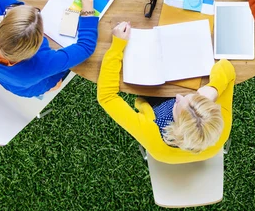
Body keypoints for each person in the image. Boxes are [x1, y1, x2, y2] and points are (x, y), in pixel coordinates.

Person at [97, 21, 235, 163]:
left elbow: (106, 97)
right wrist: (213, 89)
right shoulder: (219, 123)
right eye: (194, 97)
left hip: (159, 133)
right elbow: (225, 66)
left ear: (176, 127)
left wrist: (116, 47)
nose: (178, 96)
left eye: (177, 105)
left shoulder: (150, 132)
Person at [0, 0, 99, 97]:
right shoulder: (42, 63)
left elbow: (3, 0)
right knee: (56, 80)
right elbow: (86, 47)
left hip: (12, 82)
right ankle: (55, 86)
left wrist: (12, 12)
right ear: (39, 43)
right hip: (33, 85)